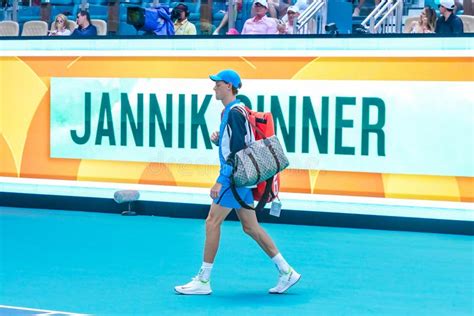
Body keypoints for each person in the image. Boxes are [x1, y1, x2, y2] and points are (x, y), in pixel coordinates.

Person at [174, 69, 301, 295]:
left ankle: (203, 281)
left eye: (218, 84)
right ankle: (286, 271)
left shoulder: (233, 113)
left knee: (212, 221)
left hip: (233, 179)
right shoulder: (233, 111)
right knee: (250, 227)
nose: (214, 88)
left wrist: (221, 181)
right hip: (241, 179)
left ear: (230, 87)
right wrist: (217, 140)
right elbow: (235, 145)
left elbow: (239, 151)